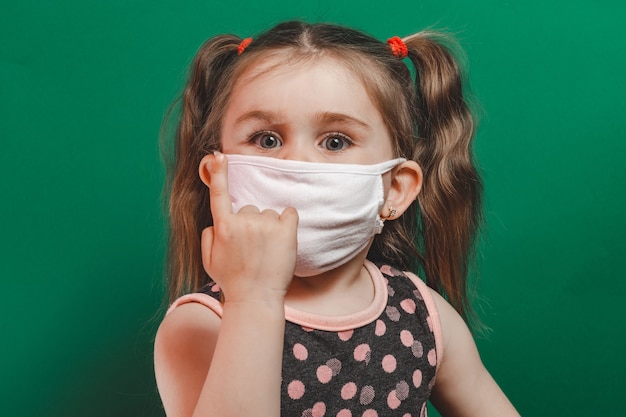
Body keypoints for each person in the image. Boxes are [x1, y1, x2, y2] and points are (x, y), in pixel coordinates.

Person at [154, 20, 520, 417]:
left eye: (335, 142)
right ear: (215, 173)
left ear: (395, 189)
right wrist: (253, 300)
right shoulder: (200, 326)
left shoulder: (423, 316)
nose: (296, 165)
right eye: (267, 139)